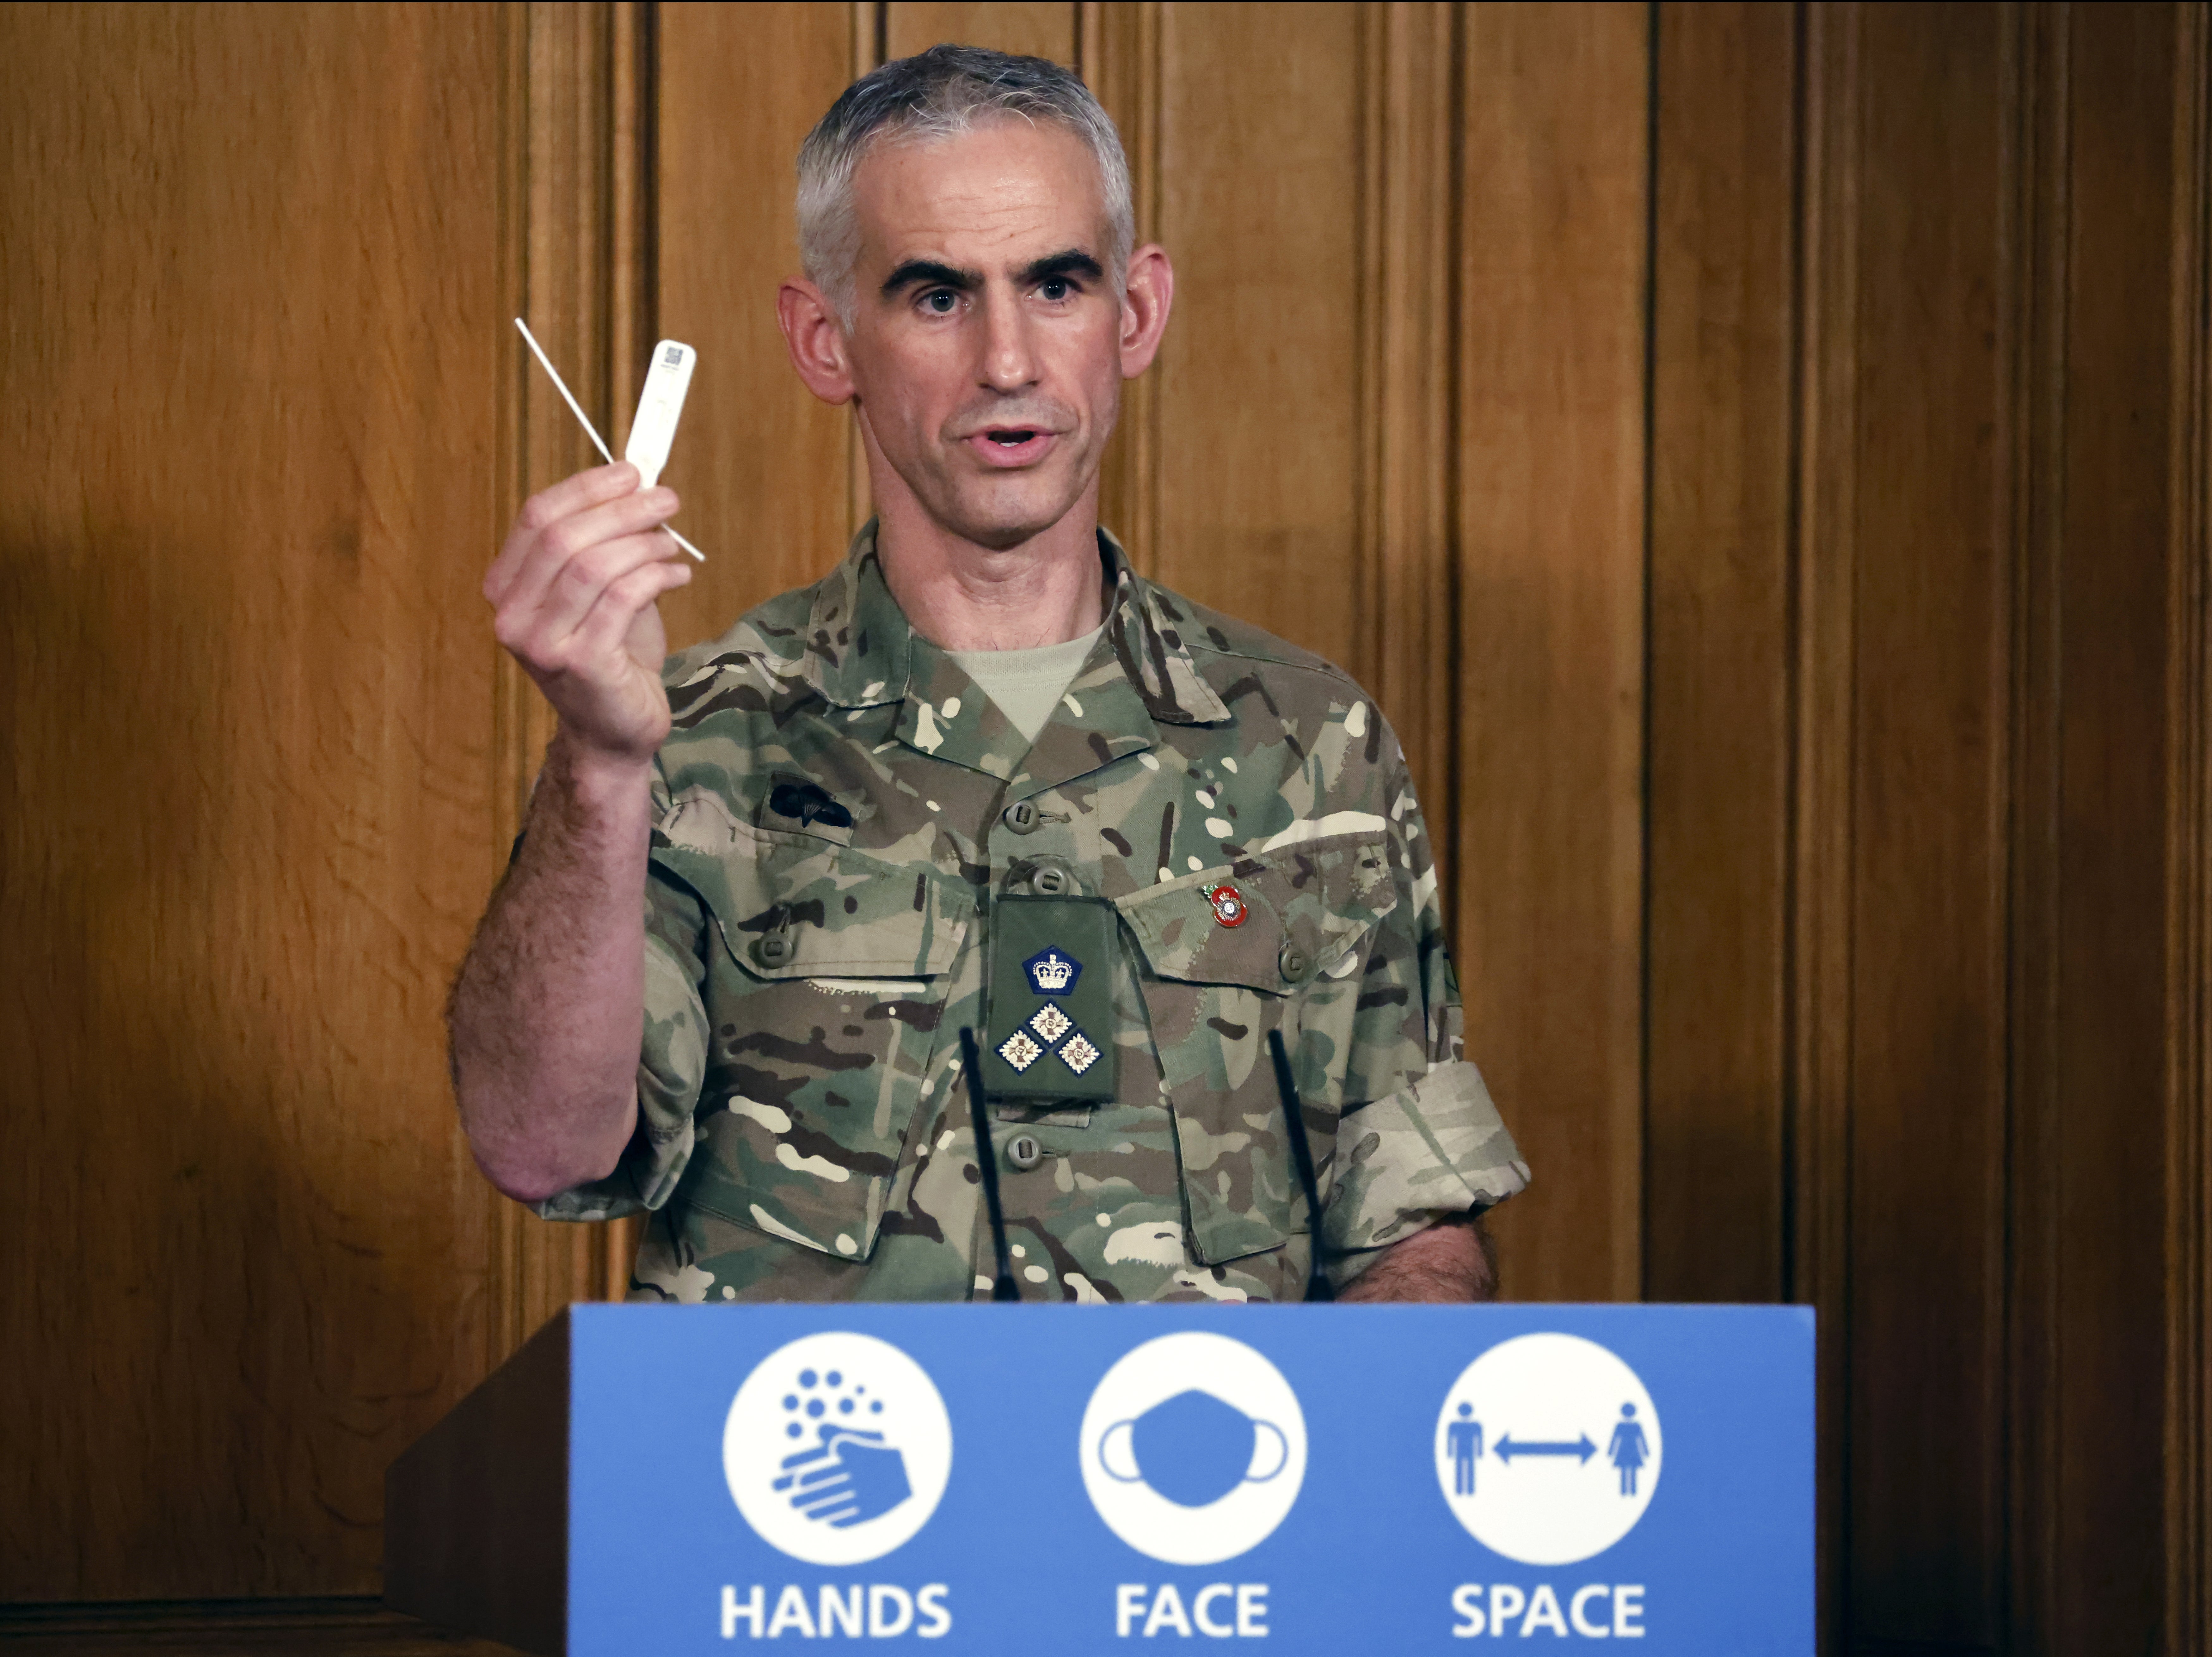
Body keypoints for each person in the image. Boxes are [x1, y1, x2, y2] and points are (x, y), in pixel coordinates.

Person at [446, 45, 1529, 1304]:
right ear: (825, 339)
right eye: (938, 297)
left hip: (1194, 1487)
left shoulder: (1307, 740)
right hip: (821, 1489)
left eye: (1057, 284)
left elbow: (1414, 1222)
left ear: (1137, 313)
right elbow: (542, 1146)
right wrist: (598, 766)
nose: (1009, 362)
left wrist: (1366, 1446)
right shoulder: (692, 737)